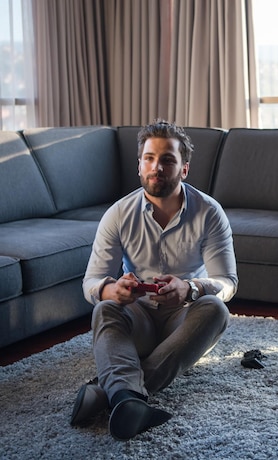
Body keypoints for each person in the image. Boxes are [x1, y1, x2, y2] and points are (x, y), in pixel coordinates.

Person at [70, 119, 238, 440]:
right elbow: (92, 281)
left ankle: (115, 393)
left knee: (215, 309)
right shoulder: (119, 214)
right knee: (104, 309)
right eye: (149, 158)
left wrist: (190, 288)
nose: (156, 167)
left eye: (167, 160)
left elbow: (227, 282)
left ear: (184, 170)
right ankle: (127, 397)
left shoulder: (209, 212)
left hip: (183, 320)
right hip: (139, 317)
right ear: (139, 165)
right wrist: (111, 288)